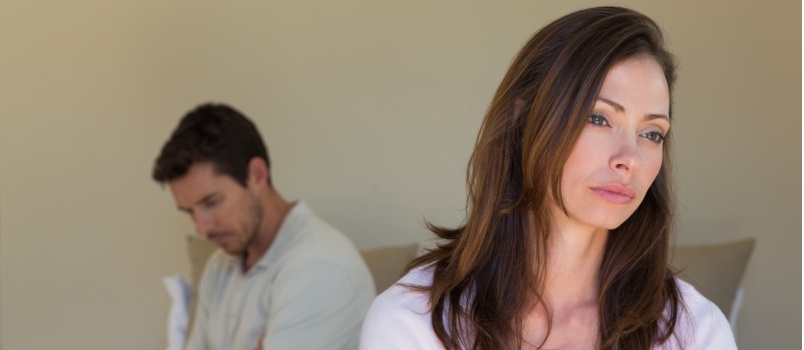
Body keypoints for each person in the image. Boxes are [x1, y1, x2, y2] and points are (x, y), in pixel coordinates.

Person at [360, 6, 736, 350]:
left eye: (652, 133)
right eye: (599, 118)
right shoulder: (414, 321)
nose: (631, 159)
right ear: (523, 123)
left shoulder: (694, 331)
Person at [152, 103, 376, 350]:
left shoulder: (318, 268)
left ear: (257, 175)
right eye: (189, 212)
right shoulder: (219, 267)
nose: (201, 228)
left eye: (211, 202)